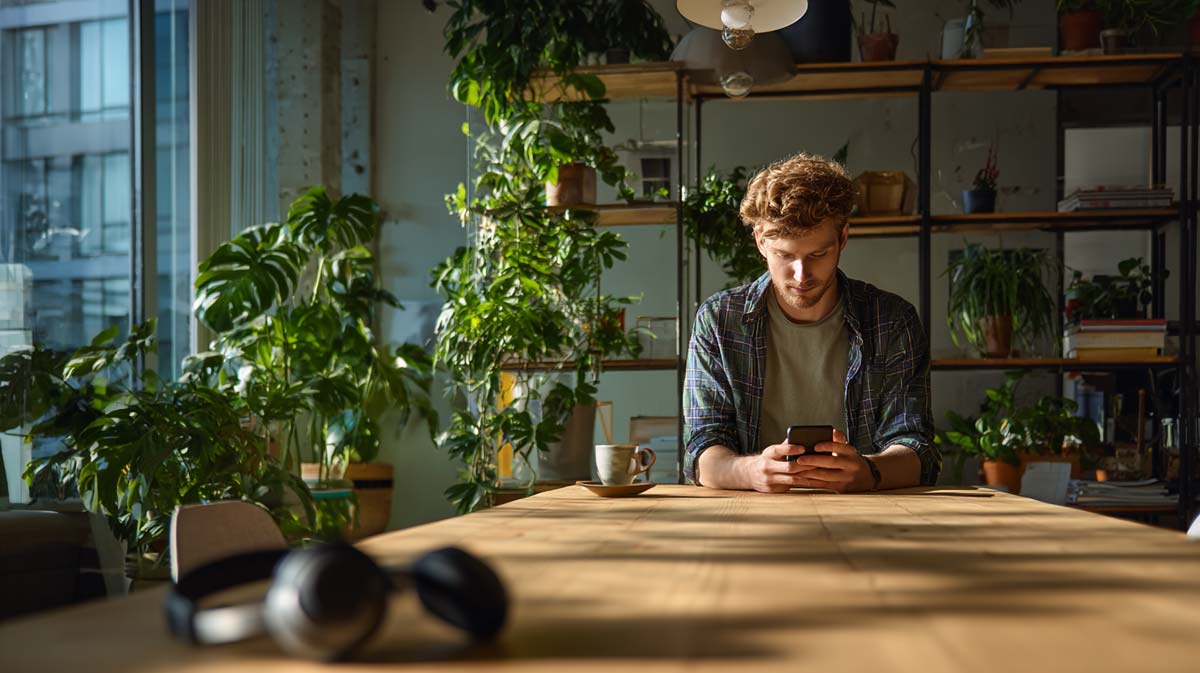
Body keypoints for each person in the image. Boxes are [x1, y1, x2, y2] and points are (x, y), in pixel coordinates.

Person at [684, 153, 940, 493]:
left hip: (866, 513)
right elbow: (702, 447)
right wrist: (751, 472)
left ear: (843, 238)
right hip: (750, 513)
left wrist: (870, 472)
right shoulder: (719, 321)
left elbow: (916, 446)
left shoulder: (892, 321)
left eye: (818, 254)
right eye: (785, 255)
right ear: (760, 240)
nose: (801, 275)